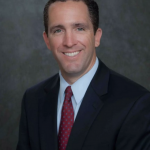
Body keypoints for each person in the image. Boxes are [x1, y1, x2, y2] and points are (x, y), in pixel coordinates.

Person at [17, 0, 150, 149]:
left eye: (79, 28)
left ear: (97, 37)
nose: (69, 42)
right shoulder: (33, 100)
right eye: (58, 30)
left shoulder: (135, 103)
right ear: (47, 40)